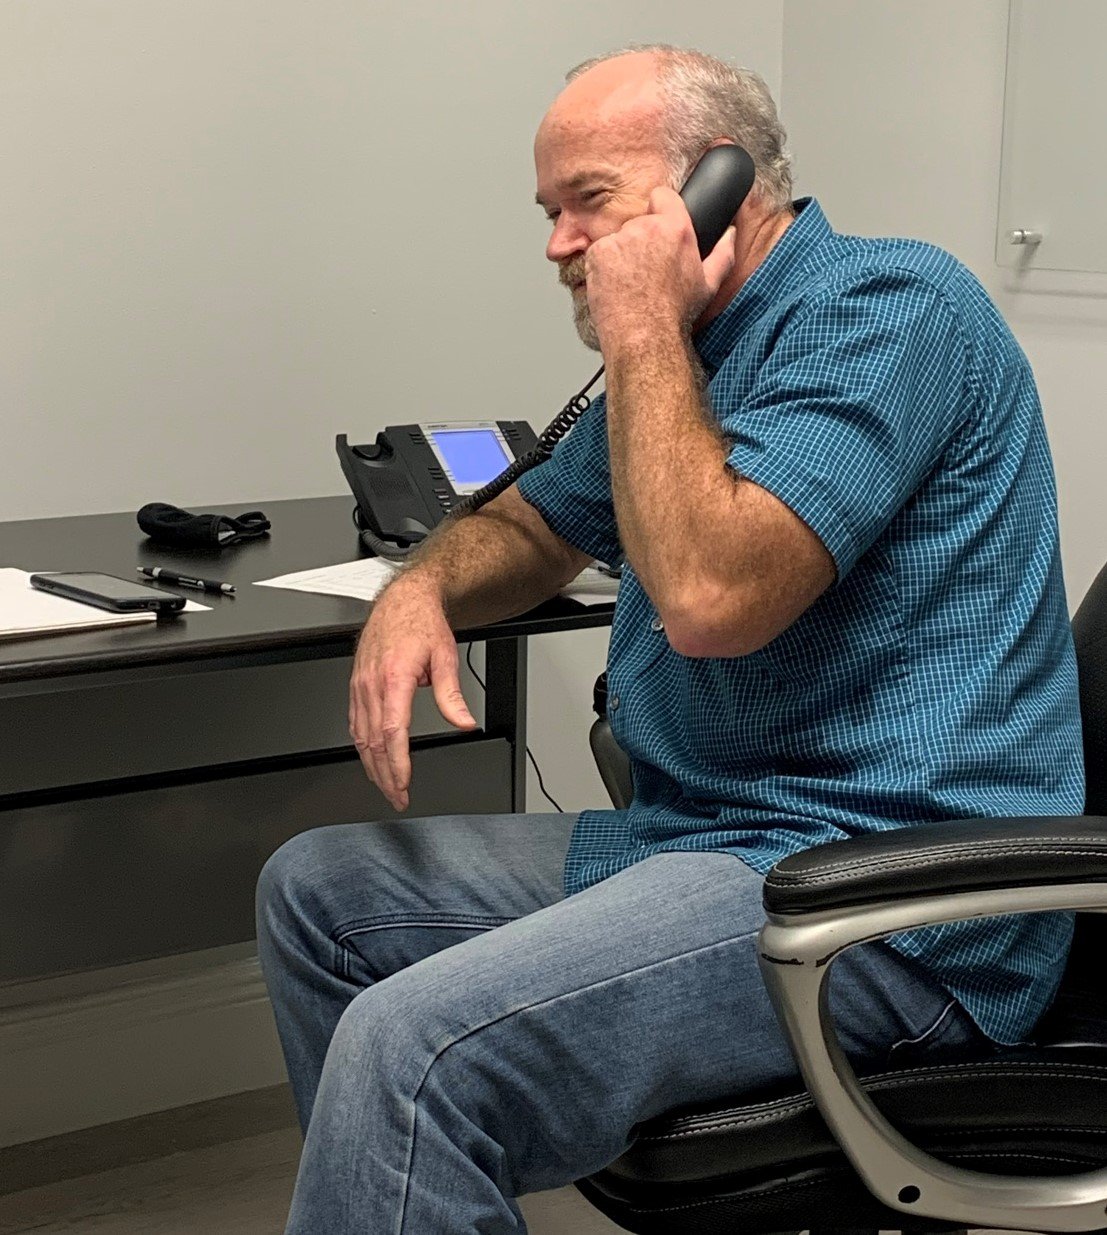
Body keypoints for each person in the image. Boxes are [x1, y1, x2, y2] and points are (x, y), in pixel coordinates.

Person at [256, 44, 1084, 1234]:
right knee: (318, 892)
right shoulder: (700, 352)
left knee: (415, 1048)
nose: (557, 245)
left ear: (720, 184)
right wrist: (417, 590)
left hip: (884, 895)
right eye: (549, 213)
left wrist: (642, 324)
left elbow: (709, 598)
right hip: (700, 841)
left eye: (589, 201)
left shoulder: (890, 309)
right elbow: (537, 523)